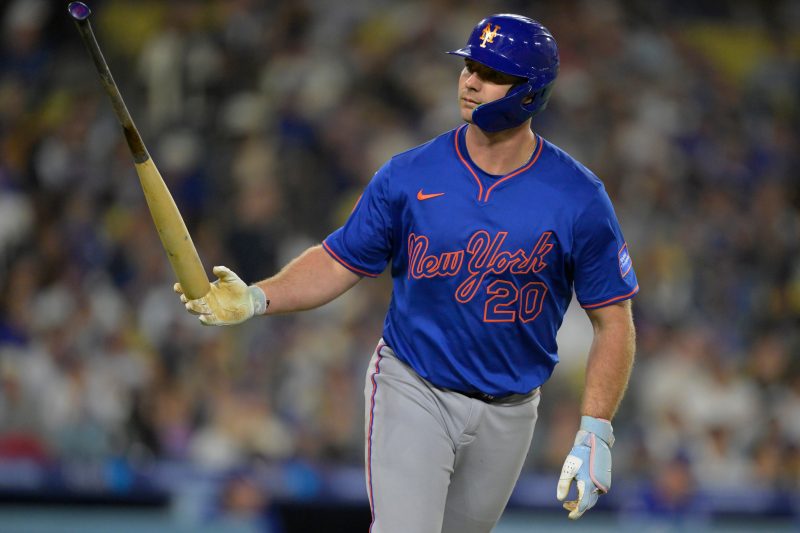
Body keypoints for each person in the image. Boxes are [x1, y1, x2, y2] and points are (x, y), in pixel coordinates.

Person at [176, 13, 638, 532]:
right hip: (415, 385)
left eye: (490, 73)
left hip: (511, 409)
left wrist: (597, 428)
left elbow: (613, 318)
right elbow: (339, 259)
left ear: (530, 91)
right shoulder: (409, 173)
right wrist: (257, 298)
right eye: (469, 67)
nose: (470, 81)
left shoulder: (578, 197)